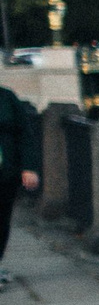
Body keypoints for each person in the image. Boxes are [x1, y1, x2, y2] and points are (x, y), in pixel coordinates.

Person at [0, 86, 38, 290]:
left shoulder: (7, 98)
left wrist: (29, 167)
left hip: (5, 172)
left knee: (2, 219)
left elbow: (25, 134)